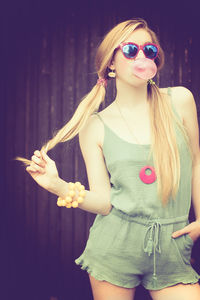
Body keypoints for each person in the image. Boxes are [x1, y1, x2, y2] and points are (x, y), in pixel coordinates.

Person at [17, 18, 200, 300]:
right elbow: (104, 202)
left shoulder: (179, 101)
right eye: (130, 50)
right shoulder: (95, 126)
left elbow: (197, 164)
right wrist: (57, 186)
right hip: (116, 247)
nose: (141, 56)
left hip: (173, 247)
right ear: (111, 63)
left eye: (149, 50)